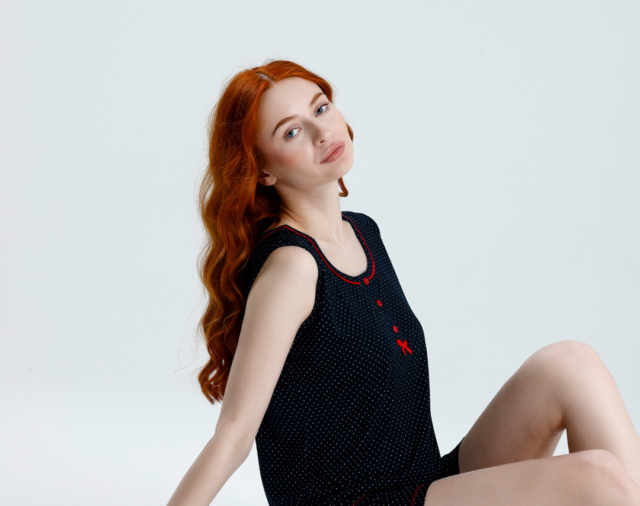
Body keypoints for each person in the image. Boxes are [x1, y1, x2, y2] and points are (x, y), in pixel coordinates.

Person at [167, 60, 640, 506]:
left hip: (419, 486)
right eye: (292, 132)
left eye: (321, 108)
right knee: (596, 476)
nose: (321, 132)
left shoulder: (363, 233)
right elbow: (234, 435)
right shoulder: (293, 266)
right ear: (263, 170)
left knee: (570, 363)